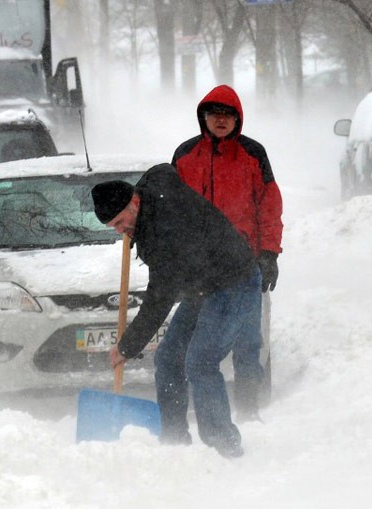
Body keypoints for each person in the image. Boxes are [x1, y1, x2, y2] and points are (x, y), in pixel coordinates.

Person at [91, 164, 260, 458]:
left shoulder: (166, 229)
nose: (120, 231)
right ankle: (173, 441)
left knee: (200, 361)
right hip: (204, 286)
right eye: (114, 227)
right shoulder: (149, 195)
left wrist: (127, 347)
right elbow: (162, 170)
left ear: (134, 202)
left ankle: (225, 447)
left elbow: (160, 297)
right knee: (169, 358)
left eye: (120, 222)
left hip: (235, 282)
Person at [171, 85, 283, 422]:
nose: (221, 120)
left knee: (247, 341)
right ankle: (187, 411)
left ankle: (249, 411)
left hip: (244, 269)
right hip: (199, 271)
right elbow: (173, 211)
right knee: (190, 345)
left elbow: (269, 207)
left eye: (227, 114)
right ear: (203, 118)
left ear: (237, 119)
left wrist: (269, 254)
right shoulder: (185, 156)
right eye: (214, 114)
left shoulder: (253, 154)